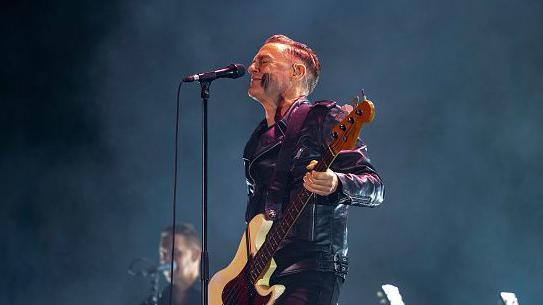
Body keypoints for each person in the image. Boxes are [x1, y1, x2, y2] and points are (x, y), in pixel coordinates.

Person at [243, 34, 385, 305]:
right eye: (253, 62)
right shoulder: (257, 140)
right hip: (261, 275)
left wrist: (337, 183)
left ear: (296, 71)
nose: (252, 68)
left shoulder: (323, 118)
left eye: (263, 61)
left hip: (308, 271)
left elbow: (375, 187)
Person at [142, 223, 201, 305]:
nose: (166, 260)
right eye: (163, 254)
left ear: (195, 254)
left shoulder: (213, 295)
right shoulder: (158, 300)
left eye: (175, 253)